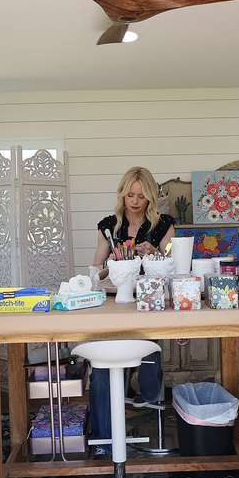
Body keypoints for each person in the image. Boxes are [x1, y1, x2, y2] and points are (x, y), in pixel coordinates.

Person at [87, 167, 176, 450]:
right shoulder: (108, 226)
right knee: (103, 365)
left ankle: (146, 392)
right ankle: (104, 438)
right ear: (122, 195)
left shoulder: (163, 225)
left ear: (150, 197)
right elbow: (94, 275)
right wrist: (112, 264)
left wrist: (157, 256)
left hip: (150, 303)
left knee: (146, 348)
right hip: (115, 303)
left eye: (141, 196)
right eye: (130, 195)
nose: (135, 201)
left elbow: (175, 269)